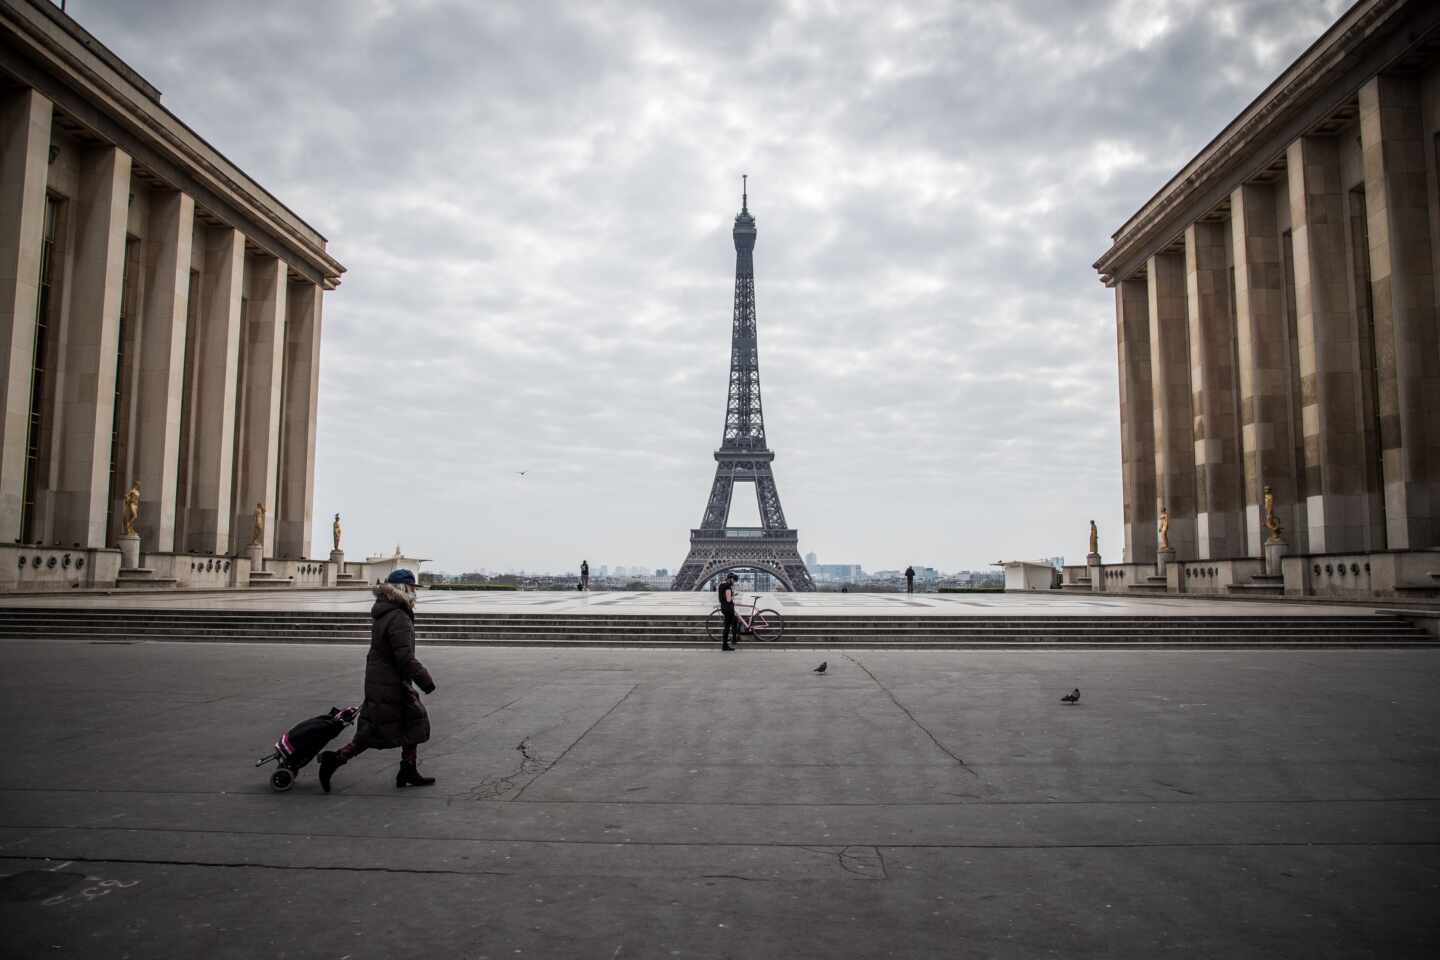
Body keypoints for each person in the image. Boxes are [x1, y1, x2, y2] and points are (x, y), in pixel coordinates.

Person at [319, 569, 437, 792]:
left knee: (413, 720)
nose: (415, 593)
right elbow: (403, 656)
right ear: (403, 590)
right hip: (389, 682)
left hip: (383, 678)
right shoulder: (398, 617)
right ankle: (335, 760)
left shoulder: (387, 612)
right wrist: (425, 680)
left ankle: (408, 769)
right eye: (412, 589)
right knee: (374, 730)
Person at [718, 573, 740, 652]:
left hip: (724, 607)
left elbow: (722, 597)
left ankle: (733, 640)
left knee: (734, 621)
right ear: (730, 579)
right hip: (728, 608)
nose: (734, 582)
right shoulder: (727, 586)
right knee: (727, 626)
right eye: (734, 580)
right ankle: (725, 645)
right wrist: (733, 595)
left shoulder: (721, 585)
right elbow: (728, 599)